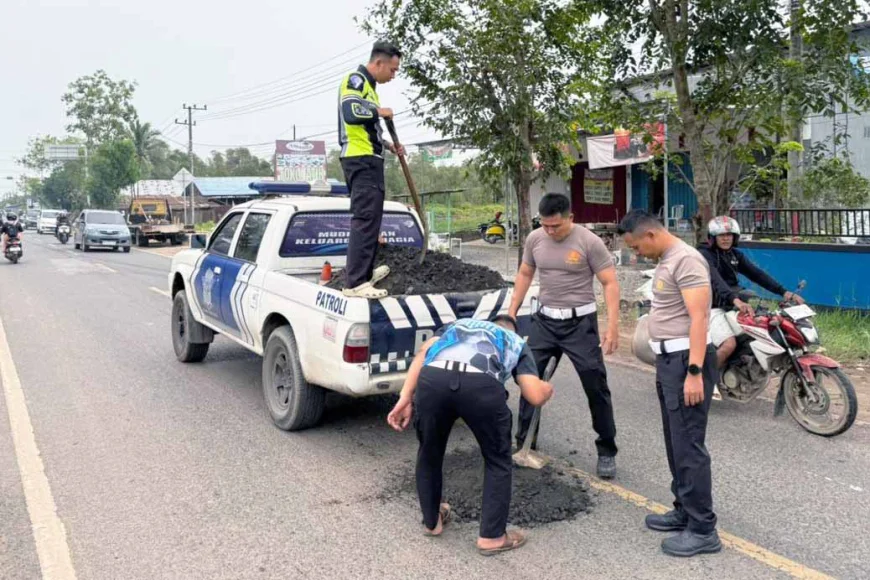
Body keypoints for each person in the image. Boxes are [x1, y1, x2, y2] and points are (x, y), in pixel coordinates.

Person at [387, 315, 554, 556]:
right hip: (481, 385)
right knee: (497, 460)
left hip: (433, 379)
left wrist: (405, 397)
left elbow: (424, 352)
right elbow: (535, 396)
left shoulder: (458, 326)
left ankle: (432, 522)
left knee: (429, 453)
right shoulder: (514, 340)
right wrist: (546, 389)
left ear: (486, 321)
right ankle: (492, 538)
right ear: (511, 329)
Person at [618, 210, 721, 557]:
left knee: (689, 444)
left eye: (635, 246)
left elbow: (699, 318)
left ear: (649, 235)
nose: (636, 254)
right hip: (669, 363)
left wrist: (693, 371)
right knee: (676, 442)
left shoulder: (687, 261)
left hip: (685, 363)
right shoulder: (666, 259)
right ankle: (684, 509)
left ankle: (703, 528)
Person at [507, 193, 621, 479]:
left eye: (555, 226)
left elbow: (609, 282)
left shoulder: (589, 242)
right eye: (545, 225)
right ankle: (524, 443)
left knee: (595, 384)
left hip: (580, 324)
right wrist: (511, 312)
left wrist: (613, 325)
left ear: (570, 217)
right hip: (544, 322)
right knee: (529, 379)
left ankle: (606, 449)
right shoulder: (535, 239)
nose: (550, 231)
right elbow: (524, 273)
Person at [338, 40, 406, 299]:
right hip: (360, 159)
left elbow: (368, 129)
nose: (393, 75)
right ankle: (355, 282)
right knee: (365, 219)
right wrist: (378, 110)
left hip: (370, 157)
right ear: (379, 62)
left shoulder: (370, 88)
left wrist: (389, 146)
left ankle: (364, 275)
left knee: (372, 219)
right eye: (392, 69)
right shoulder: (355, 80)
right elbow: (350, 112)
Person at [699, 216, 806, 371]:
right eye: (721, 235)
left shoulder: (735, 255)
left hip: (732, 306)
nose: (726, 239)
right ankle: (704, 381)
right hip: (712, 307)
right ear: (713, 237)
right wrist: (735, 300)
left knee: (763, 328)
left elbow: (757, 274)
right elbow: (715, 281)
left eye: (729, 235)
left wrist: (783, 292)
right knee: (729, 344)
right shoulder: (704, 255)